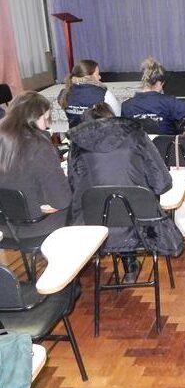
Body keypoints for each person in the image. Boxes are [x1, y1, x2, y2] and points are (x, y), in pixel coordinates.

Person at [68, 102, 173, 282]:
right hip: (141, 222)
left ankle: (123, 264)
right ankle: (129, 263)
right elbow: (162, 182)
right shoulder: (136, 136)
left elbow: (74, 185)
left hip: (95, 222)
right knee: (128, 203)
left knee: (108, 206)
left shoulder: (78, 145)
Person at [0, 91, 71, 235]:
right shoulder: (40, 148)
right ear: (34, 118)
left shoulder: (4, 141)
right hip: (38, 226)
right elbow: (62, 201)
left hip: (6, 226)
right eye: (45, 118)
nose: (47, 125)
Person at [121, 57, 185, 134]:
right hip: (165, 142)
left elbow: (124, 131)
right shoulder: (169, 103)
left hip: (139, 143)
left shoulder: (126, 106)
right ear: (160, 83)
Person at [58, 59, 121, 127]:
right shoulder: (103, 94)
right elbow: (118, 115)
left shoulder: (64, 93)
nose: (100, 77)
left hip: (74, 132)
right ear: (89, 76)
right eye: (97, 74)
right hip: (97, 132)